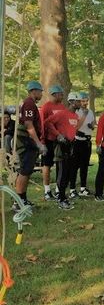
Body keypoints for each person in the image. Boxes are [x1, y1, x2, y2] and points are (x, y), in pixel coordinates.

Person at [12, 81, 47, 211]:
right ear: (34, 91)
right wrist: (39, 143)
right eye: (40, 91)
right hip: (26, 141)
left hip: (29, 141)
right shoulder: (29, 103)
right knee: (24, 171)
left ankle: (23, 198)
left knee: (27, 170)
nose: (41, 94)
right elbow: (28, 124)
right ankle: (17, 202)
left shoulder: (31, 104)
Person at [44, 92, 81, 210]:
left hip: (71, 146)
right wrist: (58, 135)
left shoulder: (75, 116)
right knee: (62, 173)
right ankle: (60, 199)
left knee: (68, 172)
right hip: (61, 146)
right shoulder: (62, 113)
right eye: (78, 101)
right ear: (71, 102)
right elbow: (47, 122)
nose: (80, 103)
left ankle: (63, 197)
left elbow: (72, 129)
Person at [40, 85, 66, 201]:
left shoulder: (62, 106)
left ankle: (58, 189)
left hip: (60, 141)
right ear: (54, 94)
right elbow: (42, 125)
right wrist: (42, 142)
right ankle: (47, 190)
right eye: (61, 94)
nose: (62, 96)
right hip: (49, 140)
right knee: (47, 165)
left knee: (60, 165)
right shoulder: (46, 107)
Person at [69, 91, 95, 198]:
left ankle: (83, 188)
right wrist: (84, 116)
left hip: (87, 141)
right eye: (83, 101)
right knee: (75, 166)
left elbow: (93, 124)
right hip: (78, 141)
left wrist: (92, 125)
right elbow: (76, 127)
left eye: (86, 101)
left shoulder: (91, 112)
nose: (85, 103)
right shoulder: (77, 112)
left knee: (85, 165)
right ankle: (72, 189)